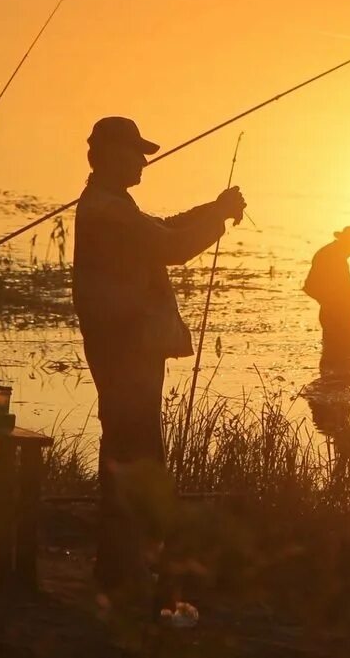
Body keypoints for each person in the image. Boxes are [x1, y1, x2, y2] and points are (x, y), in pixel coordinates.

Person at [71, 116, 246, 600]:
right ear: (107, 154)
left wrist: (213, 209)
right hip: (125, 350)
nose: (143, 160)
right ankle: (129, 572)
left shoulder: (114, 206)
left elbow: (160, 229)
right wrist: (217, 218)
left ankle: (118, 566)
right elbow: (171, 247)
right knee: (136, 454)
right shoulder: (107, 209)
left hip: (128, 348)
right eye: (135, 151)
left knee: (126, 452)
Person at [303, 225, 350, 379]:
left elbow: (310, 287)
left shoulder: (327, 253)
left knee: (330, 358)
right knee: (346, 357)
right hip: (340, 317)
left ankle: (330, 390)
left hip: (328, 312)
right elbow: (347, 299)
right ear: (348, 243)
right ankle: (339, 392)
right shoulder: (335, 260)